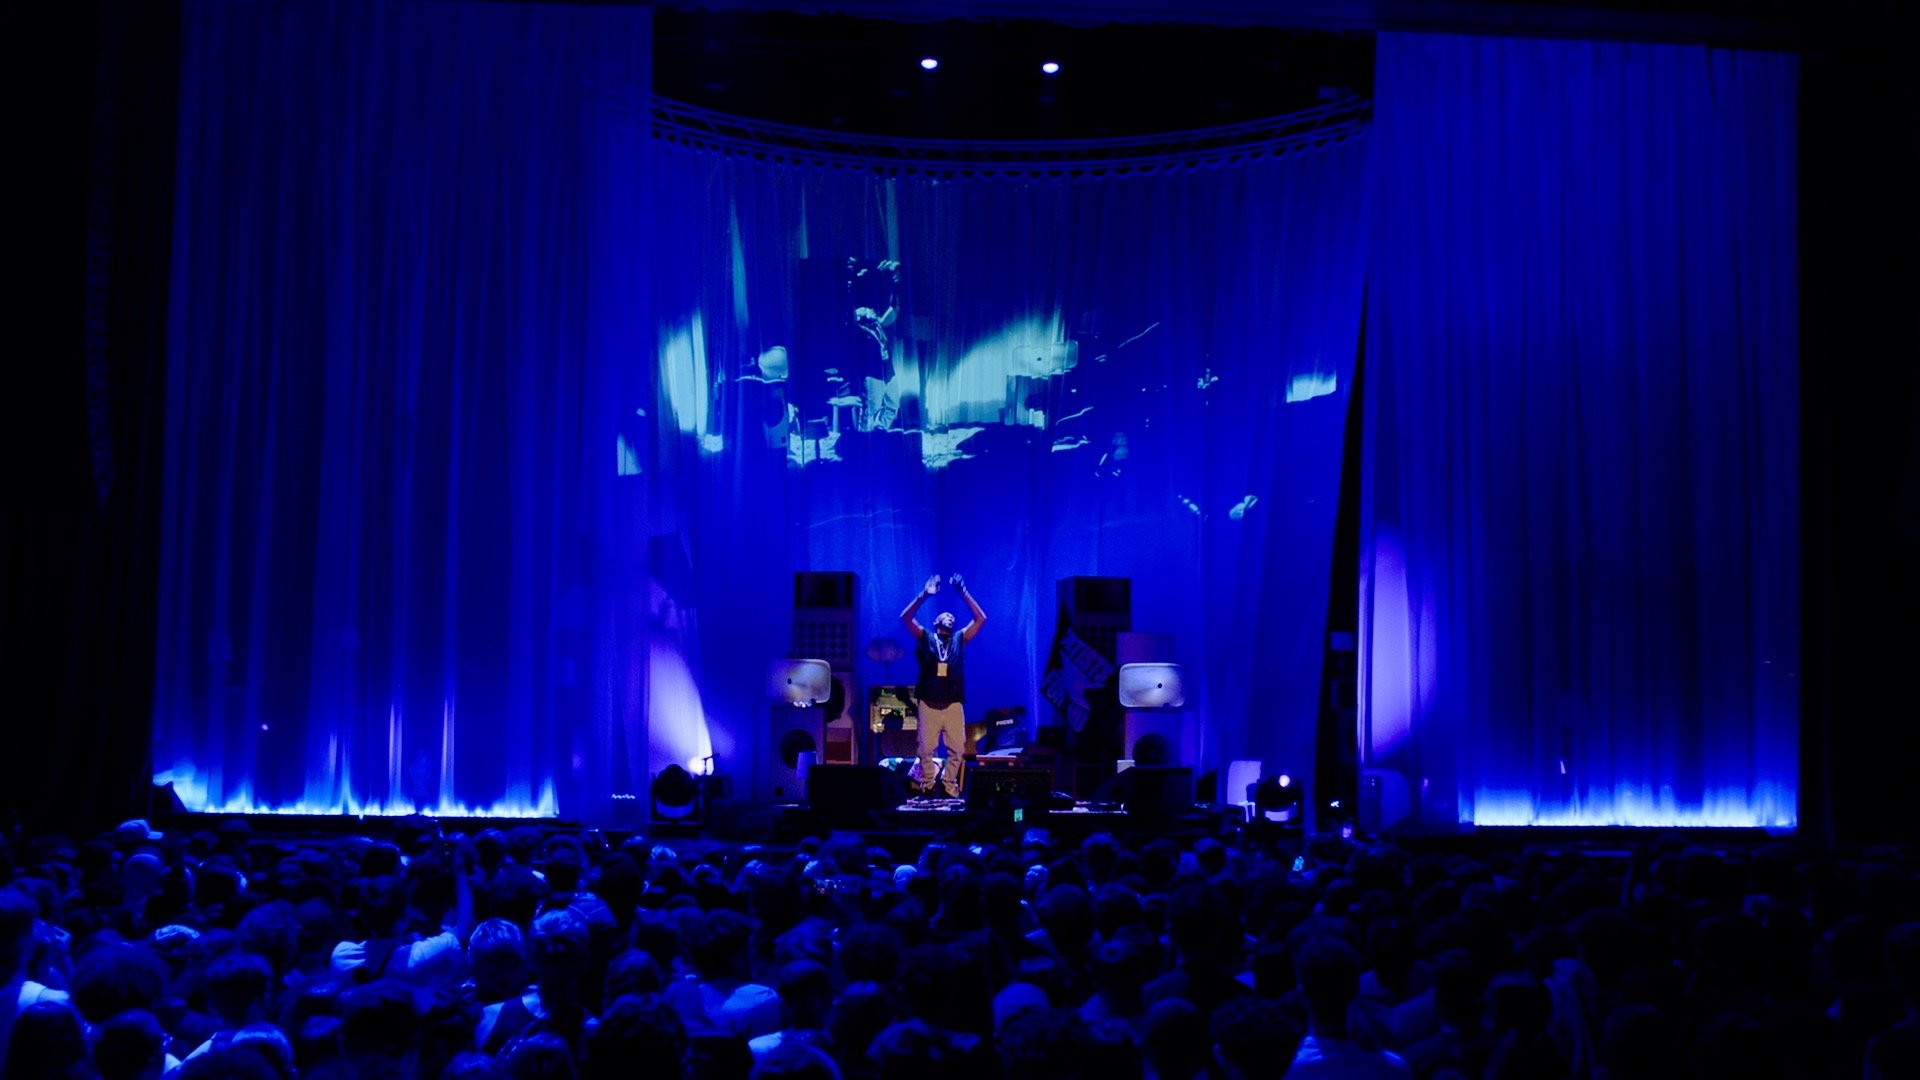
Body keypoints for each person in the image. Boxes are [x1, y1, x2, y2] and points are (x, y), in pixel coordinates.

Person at [900, 574, 986, 798]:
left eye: (952, 616)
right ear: (936, 623)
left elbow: (981, 619)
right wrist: (924, 595)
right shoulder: (925, 637)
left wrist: (964, 593)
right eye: (944, 615)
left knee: (958, 748)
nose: (949, 617)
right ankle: (928, 785)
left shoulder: (960, 639)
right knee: (926, 748)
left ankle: (949, 785)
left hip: (953, 703)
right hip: (929, 702)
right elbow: (906, 618)